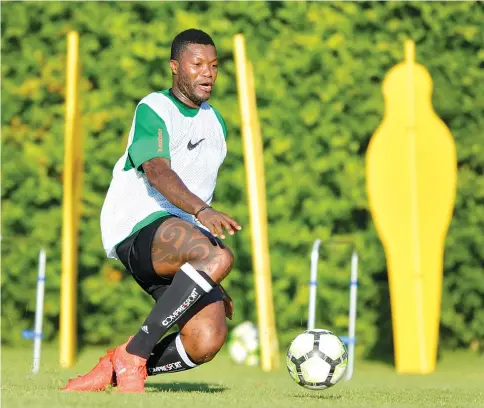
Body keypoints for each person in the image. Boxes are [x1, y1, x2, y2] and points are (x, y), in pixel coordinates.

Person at [62, 28, 241, 393]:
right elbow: (157, 171)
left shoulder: (217, 124)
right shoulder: (154, 108)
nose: (208, 72)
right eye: (197, 64)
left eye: (214, 65)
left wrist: (205, 274)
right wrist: (204, 221)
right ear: (175, 67)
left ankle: (121, 362)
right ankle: (135, 354)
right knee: (219, 256)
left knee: (207, 338)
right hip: (136, 225)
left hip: (176, 239)